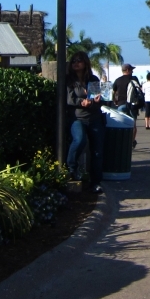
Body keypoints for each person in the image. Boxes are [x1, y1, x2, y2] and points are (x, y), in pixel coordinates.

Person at [65, 51, 105, 193]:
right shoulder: (69, 80)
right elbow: (69, 100)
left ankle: (96, 182)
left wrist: (95, 101)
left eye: (79, 60)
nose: (76, 63)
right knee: (79, 140)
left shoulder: (92, 79)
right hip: (77, 118)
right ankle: (71, 168)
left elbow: (97, 100)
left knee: (97, 151)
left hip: (94, 118)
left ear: (85, 63)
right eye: (74, 61)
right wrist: (82, 101)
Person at [111, 63, 139, 146]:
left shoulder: (118, 80)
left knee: (121, 124)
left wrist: (114, 100)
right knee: (133, 124)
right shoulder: (134, 79)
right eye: (131, 70)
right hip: (132, 104)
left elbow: (113, 92)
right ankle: (131, 142)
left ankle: (121, 141)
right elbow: (138, 90)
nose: (132, 72)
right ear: (127, 70)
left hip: (121, 104)